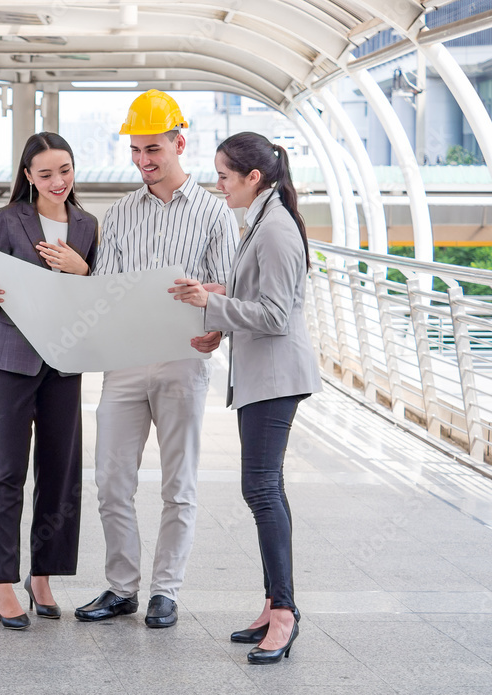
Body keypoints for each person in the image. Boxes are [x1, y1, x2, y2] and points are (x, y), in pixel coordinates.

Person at [74, 91, 238, 628]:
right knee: (111, 480)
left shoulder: (216, 213)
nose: (144, 161)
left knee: (179, 483)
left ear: (178, 143)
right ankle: (121, 587)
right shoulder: (119, 213)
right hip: (123, 362)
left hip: (183, 360)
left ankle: (165, 590)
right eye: (136, 150)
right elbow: (104, 289)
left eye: (154, 150)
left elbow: (229, 287)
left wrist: (211, 315)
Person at [171, 131, 322, 664]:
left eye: (224, 176)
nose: (218, 185)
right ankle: (273, 604)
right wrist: (216, 308)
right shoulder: (262, 218)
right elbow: (255, 299)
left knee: (261, 490)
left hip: (277, 377)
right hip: (264, 376)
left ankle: (284, 613)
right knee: (262, 488)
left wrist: (212, 309)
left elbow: (278, 316)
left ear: (252, 177)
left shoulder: (275, 228)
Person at [0, 132, 99, 630]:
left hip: (65, 360)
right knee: (7, 469)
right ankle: (3, 582)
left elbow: (100, 297)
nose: (57, 181)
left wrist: (83, 268)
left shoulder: (88, 225)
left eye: (65, 170)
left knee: (60, 471)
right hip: (12, 358)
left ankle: (43, 575)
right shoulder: (10, 219)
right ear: (28, 176)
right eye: (45, 173)